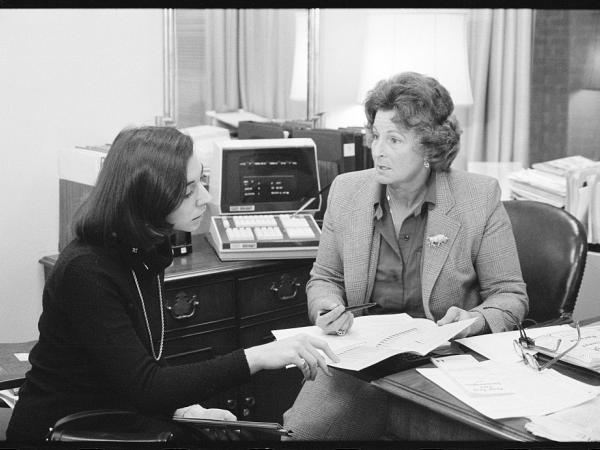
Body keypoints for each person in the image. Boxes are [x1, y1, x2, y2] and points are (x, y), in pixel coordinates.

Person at [7, 126, 338, 442]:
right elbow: (146, 385)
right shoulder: (86, 271)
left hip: (118, 412)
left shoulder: (145, 252)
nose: (205, 197)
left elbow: (137, 367)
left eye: (201, 181)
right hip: (69, 426)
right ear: (149, 197)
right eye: (189, 189)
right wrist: (260, 356)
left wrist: (186, 409)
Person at [283, 72, 529, 440]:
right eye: (375, 135)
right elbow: (325, 279)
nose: (377, 150)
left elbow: (511, 296)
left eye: (394, 139)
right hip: (358, 363)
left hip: (443, 364)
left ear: (430, 147)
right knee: (297, 433)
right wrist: (326, 309)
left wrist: (473, 320)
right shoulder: (348, 192)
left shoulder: (478, 197)